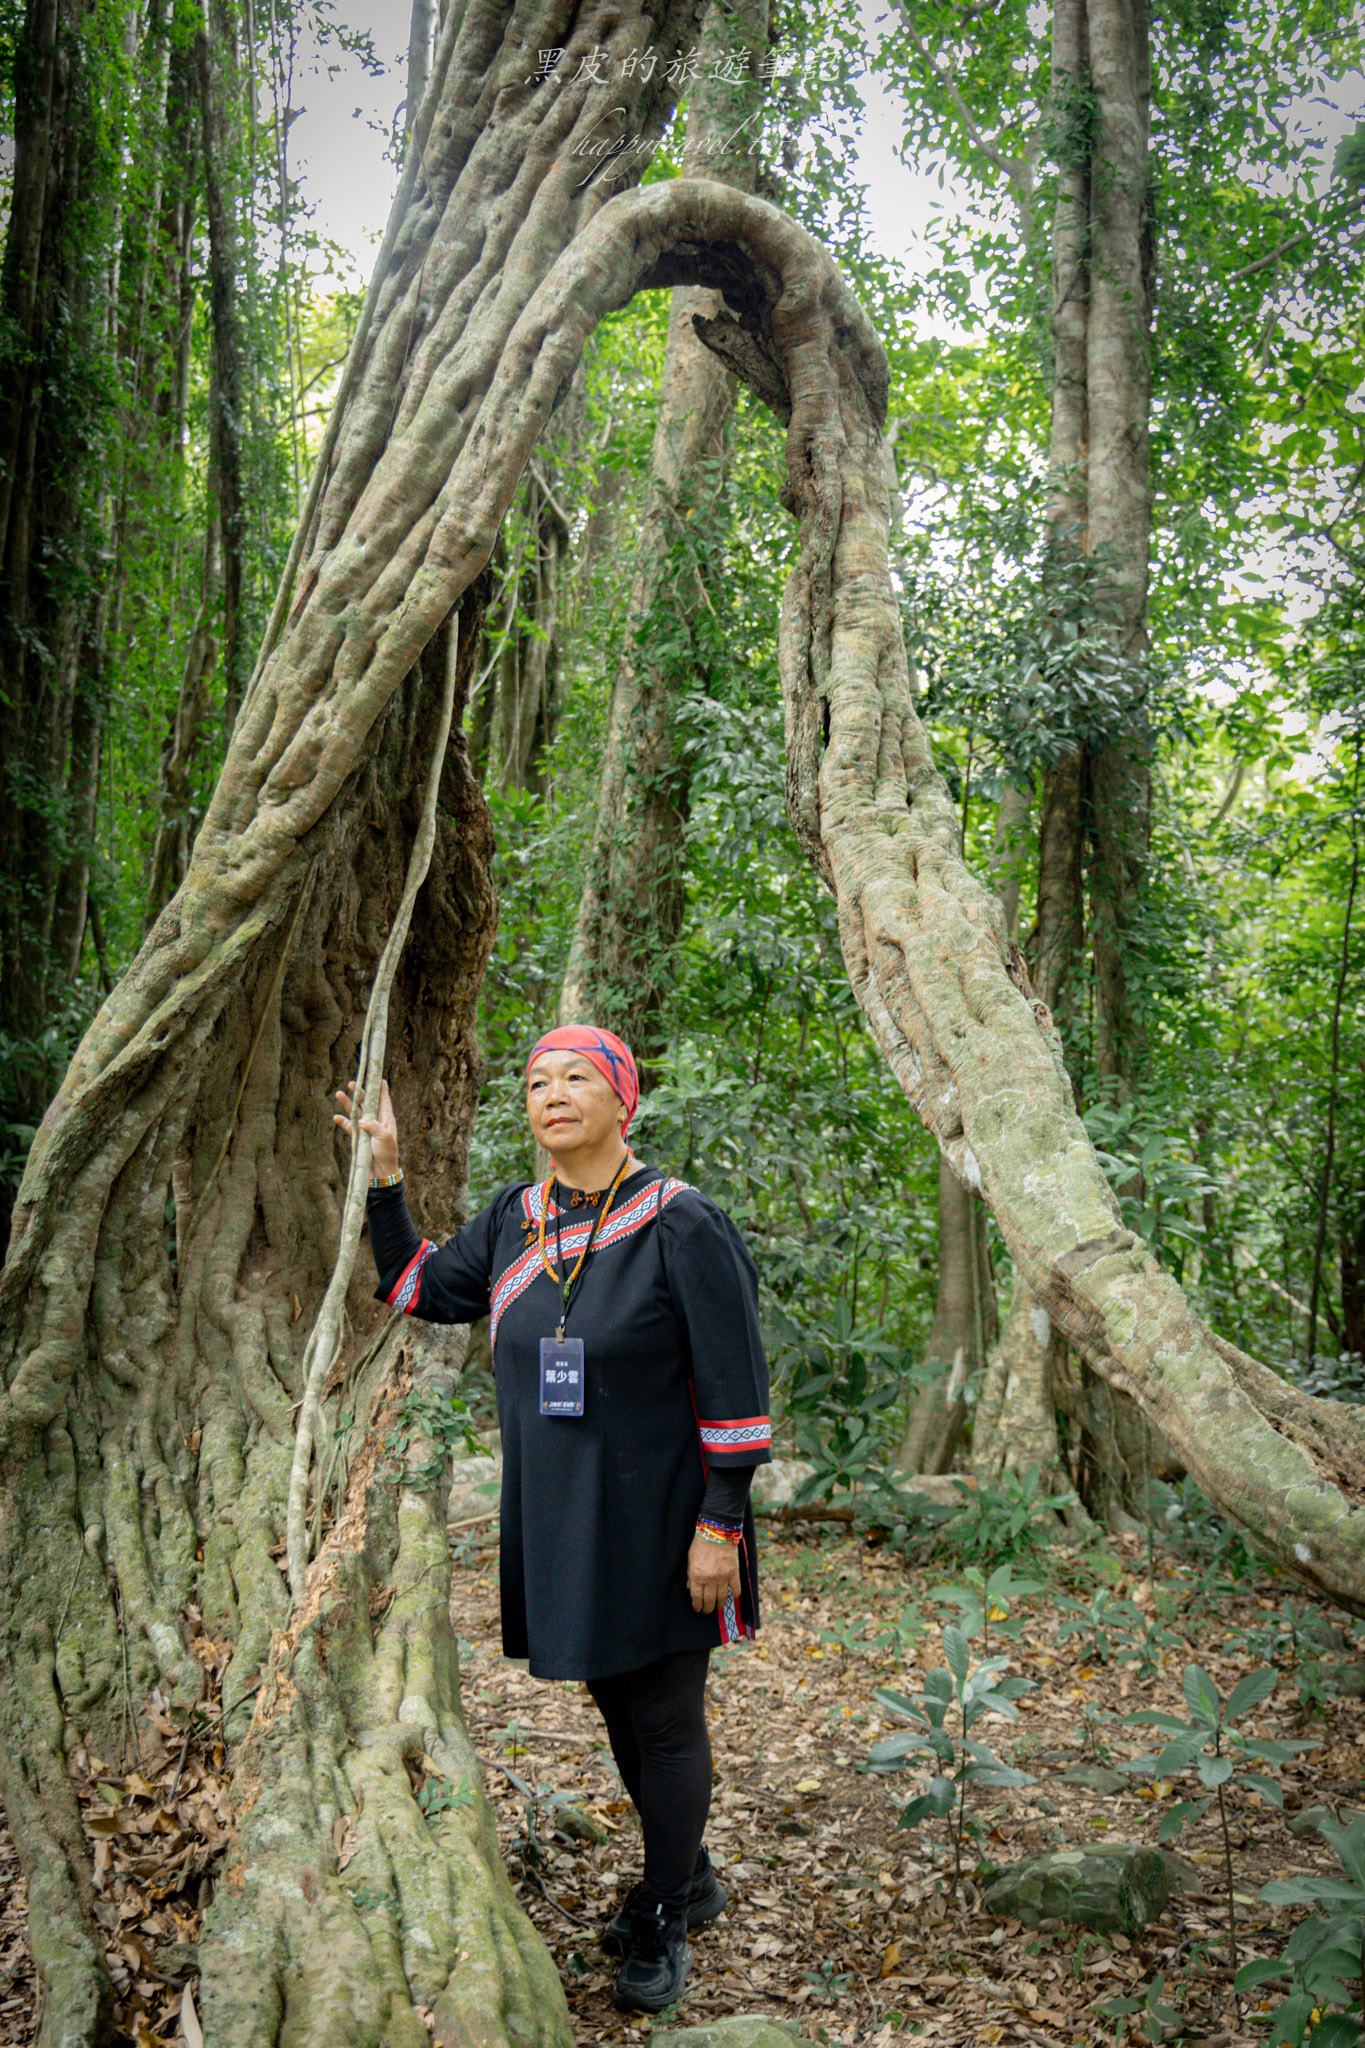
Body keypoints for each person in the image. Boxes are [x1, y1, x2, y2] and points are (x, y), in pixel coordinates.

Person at [333, 1024, 772, 2014]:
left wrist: (722, 1522)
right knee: (616, 1698)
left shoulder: (679, 1221)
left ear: (625, 1098)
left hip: (666, 1516)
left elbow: (736, 1379)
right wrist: (385, 1180)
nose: (553, 1091)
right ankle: (687, 1869)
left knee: (661, 1711)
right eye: (536, 1079)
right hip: (569, 1516)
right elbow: (419, 1287)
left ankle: (665, 1907)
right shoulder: (516, 1219)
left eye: (578, 1075)